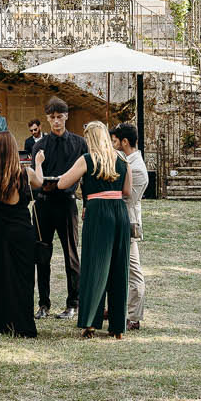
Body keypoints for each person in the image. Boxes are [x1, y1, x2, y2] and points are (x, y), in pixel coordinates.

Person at [71, 121, 131, 339]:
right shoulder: (122, 159)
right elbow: (127, 190)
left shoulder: (87, 160)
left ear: (90, 139)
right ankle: (117, 326)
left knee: (95, 266)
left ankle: (90, 323)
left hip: (97, 212)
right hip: (119, 212)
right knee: (118, 267)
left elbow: (63, 183)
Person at [31, 97, 87, 318]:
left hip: (67, 203)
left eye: (59, 117)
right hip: (44, 204)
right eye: (52, 118)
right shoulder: (39, 146)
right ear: (47, 119)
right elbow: (35, 179)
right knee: (42, 255)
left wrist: (87, 203)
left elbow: (87, 177)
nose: (56, 121)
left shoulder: (80, 144)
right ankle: (43, 304)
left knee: (71, 254)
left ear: (66, 116)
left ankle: (74, 302)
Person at [0, 130, 37, 338]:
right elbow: (40, 183)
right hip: (22, 228)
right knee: (23, 277)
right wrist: (38, 163)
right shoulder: (25, 173)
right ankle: (22, 324)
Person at [112, 122, 147, 331]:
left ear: (125, 142)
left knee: (133, 270)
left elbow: (126, 197)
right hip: (119, 218)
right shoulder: (126, 161)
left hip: (128, 221)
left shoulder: (136, 167)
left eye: (116, 140)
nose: (113, 144)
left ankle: (134, 316)